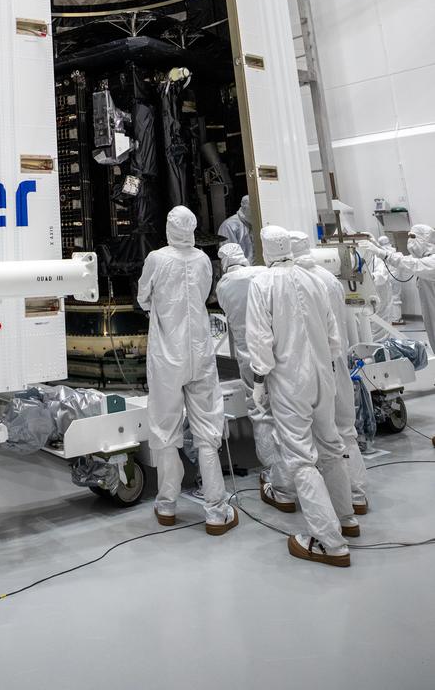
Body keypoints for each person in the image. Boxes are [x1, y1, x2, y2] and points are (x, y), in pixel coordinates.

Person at [246, 225, 358, 568]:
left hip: (289, 381)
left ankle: (328, 541)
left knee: (300, 457)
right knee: (330, 445)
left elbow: (259, 340)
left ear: (266, 249)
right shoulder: (314, 278)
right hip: (324, 375)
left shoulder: (261, 284)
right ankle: (347, 518)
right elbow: (333, 334)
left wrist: (260, 380)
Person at [138, 206, 238, 535]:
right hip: (200, 353)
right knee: (208, 430)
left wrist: (160, 309)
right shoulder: (202, 261)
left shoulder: (156, 258)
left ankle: (167, 506)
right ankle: (216, 512)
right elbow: (204, 293)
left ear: (168, 227)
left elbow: (143, 297)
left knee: (165, 431)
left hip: (167, 356)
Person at [289, 231, 369, 516]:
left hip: (312, 368)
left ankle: (329, 509)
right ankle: (356, 496)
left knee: (315, 440)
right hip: (336, 363)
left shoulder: (294, 281)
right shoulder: (330, 280)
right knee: (345, 432)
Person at [215, 242, 296, 512]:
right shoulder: (264, 274)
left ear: (224, 263)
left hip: (250, 357)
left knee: (261, 414)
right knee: (288, 410)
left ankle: (276, 478)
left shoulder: (224, 286)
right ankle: (296, 467)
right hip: (280, 352)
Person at [362, 225, 435, 350]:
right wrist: (377, 246)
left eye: (413, 237)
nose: (409, 241)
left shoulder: (431, 261)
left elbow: (408, 263)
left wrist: (380, 252)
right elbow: (401, 259)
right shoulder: (423, 258)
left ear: (424, 240)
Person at [218, 194, 253, 262]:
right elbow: (229, 256)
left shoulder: (257, 221)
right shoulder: (229, 226)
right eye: (252, 207)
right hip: (240, 270)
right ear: (244, 207)